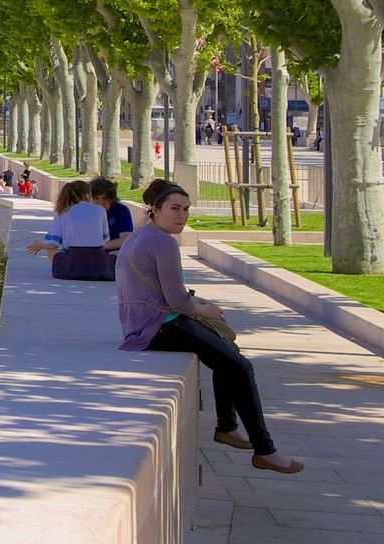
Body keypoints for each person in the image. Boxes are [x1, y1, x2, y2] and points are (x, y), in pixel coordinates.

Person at [119, 179, 303, 474]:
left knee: (227, 355)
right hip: (158, 327)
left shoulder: (142, 235)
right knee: (241, 367)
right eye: (174, 208)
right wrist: (205, 309)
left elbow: (165, 291)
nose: (182, 216)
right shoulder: (162, 241)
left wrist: (200, 305)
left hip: (147, 323)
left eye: (186, 209)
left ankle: (227, 427)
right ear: (154, 209)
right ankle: (264, 450)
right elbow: (177, 301)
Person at [26, 179, 113, 280]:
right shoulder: (100, 210)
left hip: (73, 266)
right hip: (100, 267)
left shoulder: (63, 211)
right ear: (87, 195)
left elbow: (53, 244)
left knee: (51, 252)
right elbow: (105, 240)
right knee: (115, 254)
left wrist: (40, 245)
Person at [89, 177, 134, 252]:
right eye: (96, 199)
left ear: (111, 198)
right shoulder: (85, 212)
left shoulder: (121, 210)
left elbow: (126, 238)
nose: (100, 203)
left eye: (104, 198)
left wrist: (101, 246)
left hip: (113, 253)